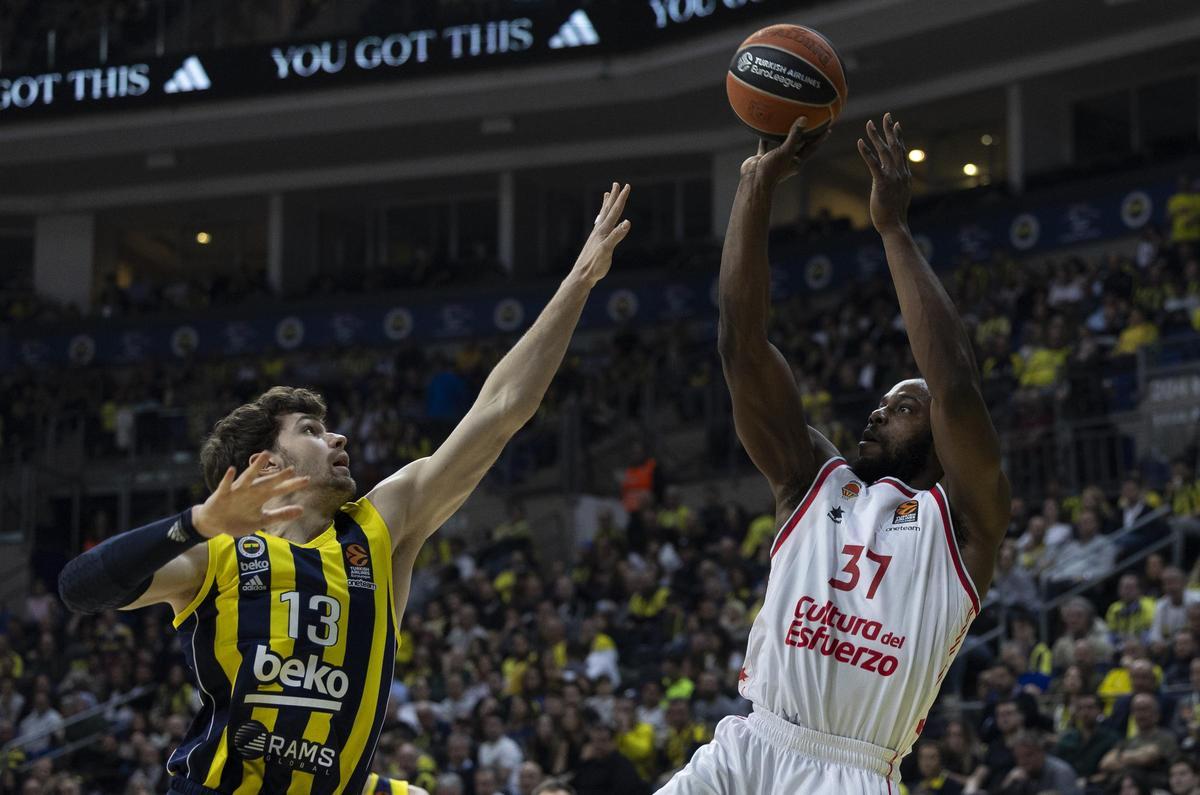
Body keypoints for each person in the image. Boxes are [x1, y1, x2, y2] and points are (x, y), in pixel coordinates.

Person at [56, 186, 635, 795]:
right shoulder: (217, 556)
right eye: (312, 430)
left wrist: (579, 282)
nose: (338, 440)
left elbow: (500, 410)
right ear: (266, 462)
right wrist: (196, 522)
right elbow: (79, 588)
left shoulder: (381, 526)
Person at [658, 114, 1010, 794]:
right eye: (882, 402)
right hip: (748, 749)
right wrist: (755, 189)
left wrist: (893, 230)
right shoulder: (811, 479)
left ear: (941, 440)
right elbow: (742, 344)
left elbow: (957, 385)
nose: (879, 410)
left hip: (850, 772)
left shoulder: (964, 525)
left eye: (906, 406)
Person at [994, 730, 1080, 795]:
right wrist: (1008, 783)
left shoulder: (1061, 772)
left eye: (1028, 755)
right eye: (1019, 757)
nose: (1023, 761)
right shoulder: (1021, 775)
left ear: (1041, 752)